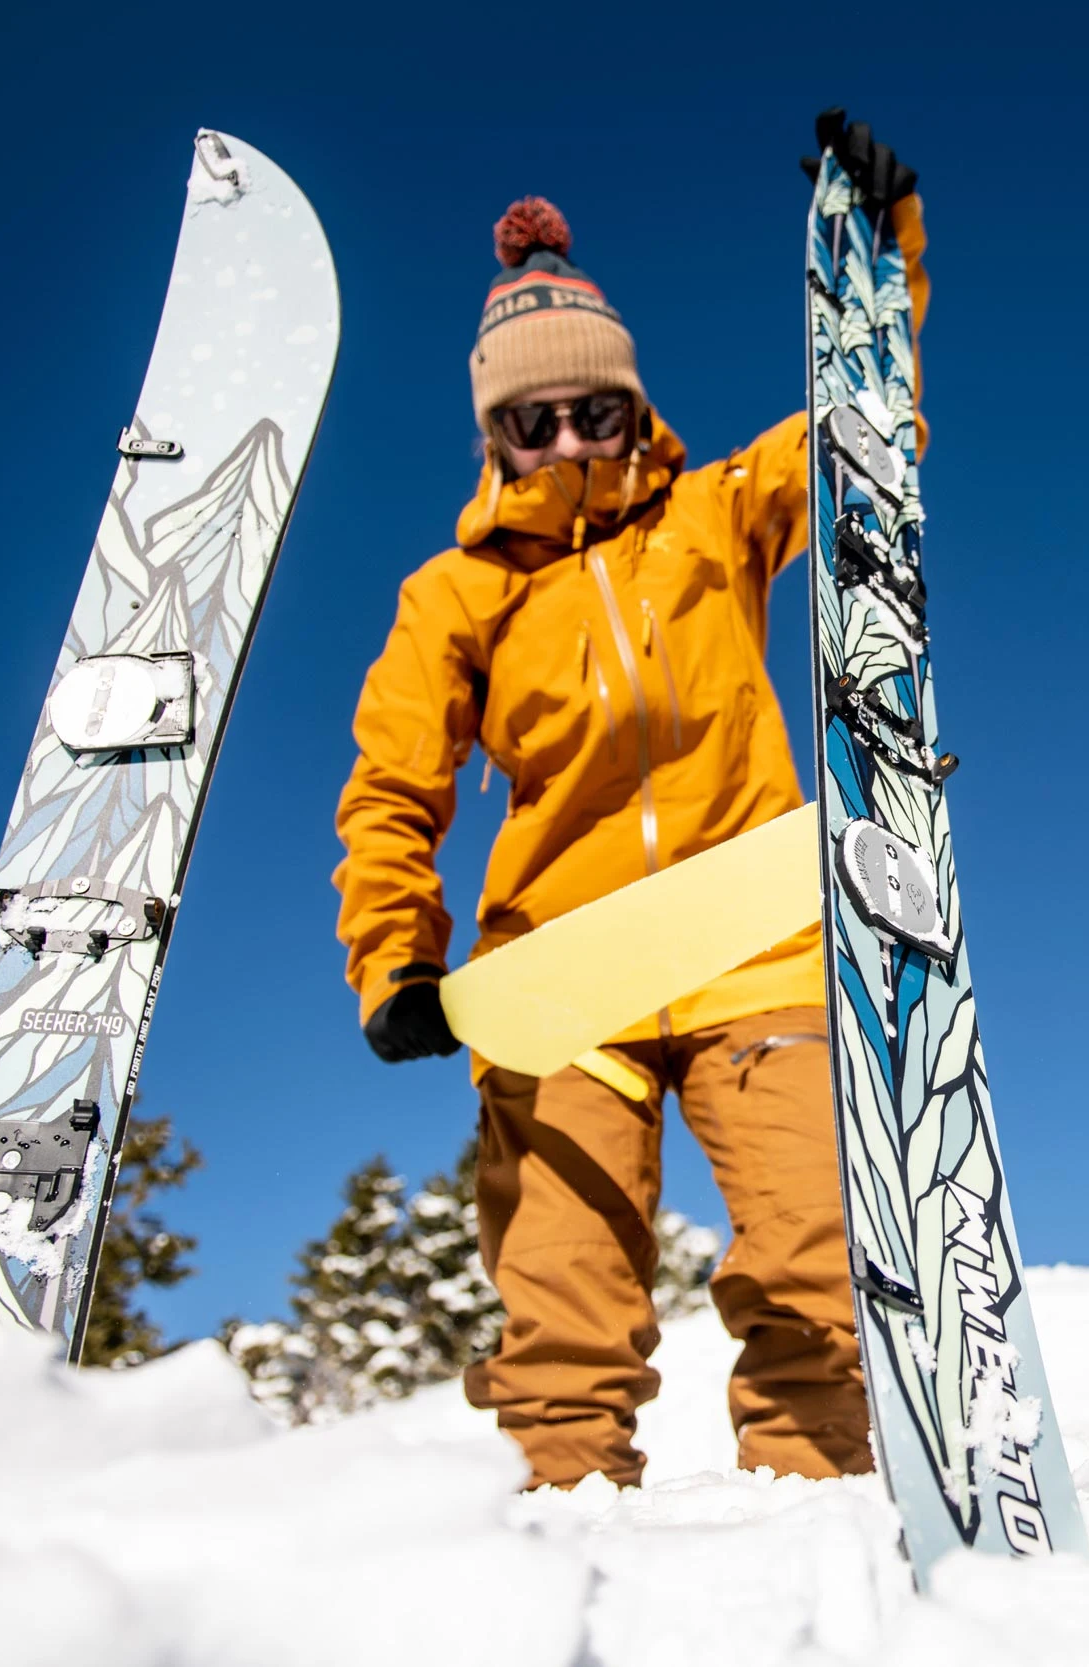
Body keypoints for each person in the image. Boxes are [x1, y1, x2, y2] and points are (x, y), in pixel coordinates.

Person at [331, 115, 923, 1489]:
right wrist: (396, 958)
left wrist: (879, 253)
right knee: (563, 1279)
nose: (568, 439)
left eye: (595, 410)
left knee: (818, 1245)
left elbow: (865, 430)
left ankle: (819, 1492)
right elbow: (393, 784)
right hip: (561, 966)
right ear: (494, 434)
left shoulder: (717, 513)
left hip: (751, 934)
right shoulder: (455, 595)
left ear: (633, 406)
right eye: (531, 420)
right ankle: (567, 1517)